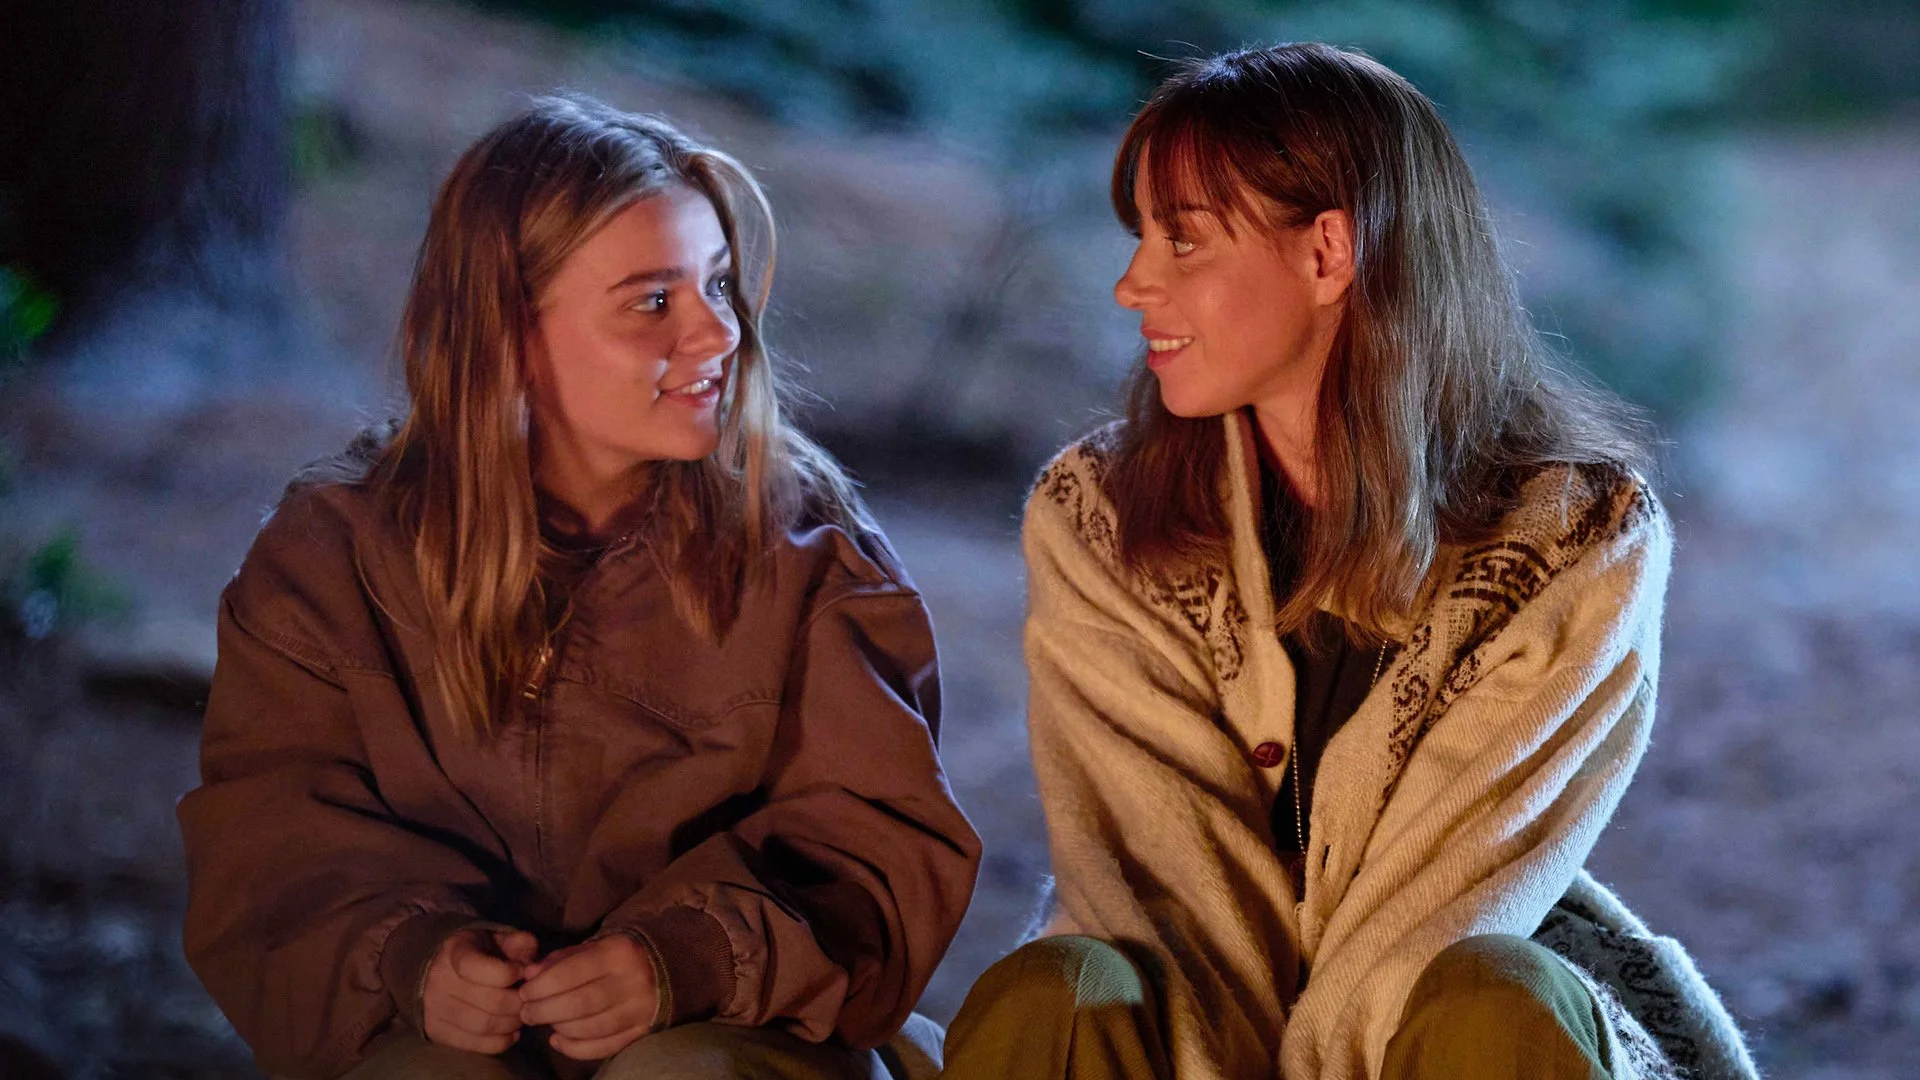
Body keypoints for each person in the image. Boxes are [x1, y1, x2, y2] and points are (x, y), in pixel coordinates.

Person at [938, 43, 1756, 1080]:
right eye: (1140, 238)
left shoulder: (1580, 537)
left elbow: (1437, 912)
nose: (1132, 284)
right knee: (1059, 993)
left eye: (1182, 240)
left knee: (1492, 997)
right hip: (1186, 1029)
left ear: (1329, 253)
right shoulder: (1096, 516)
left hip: (1434, 1024)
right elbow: (1161, 897)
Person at [177, 96, 981, 1080]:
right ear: (510, 334)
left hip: (735, 1037)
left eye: (717, 284)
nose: (719, 334)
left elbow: (877, 847)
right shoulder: (335, 559)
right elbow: (268, 840)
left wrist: (690, 960)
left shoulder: (807, 554)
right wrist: (411, 959)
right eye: (653, 302)